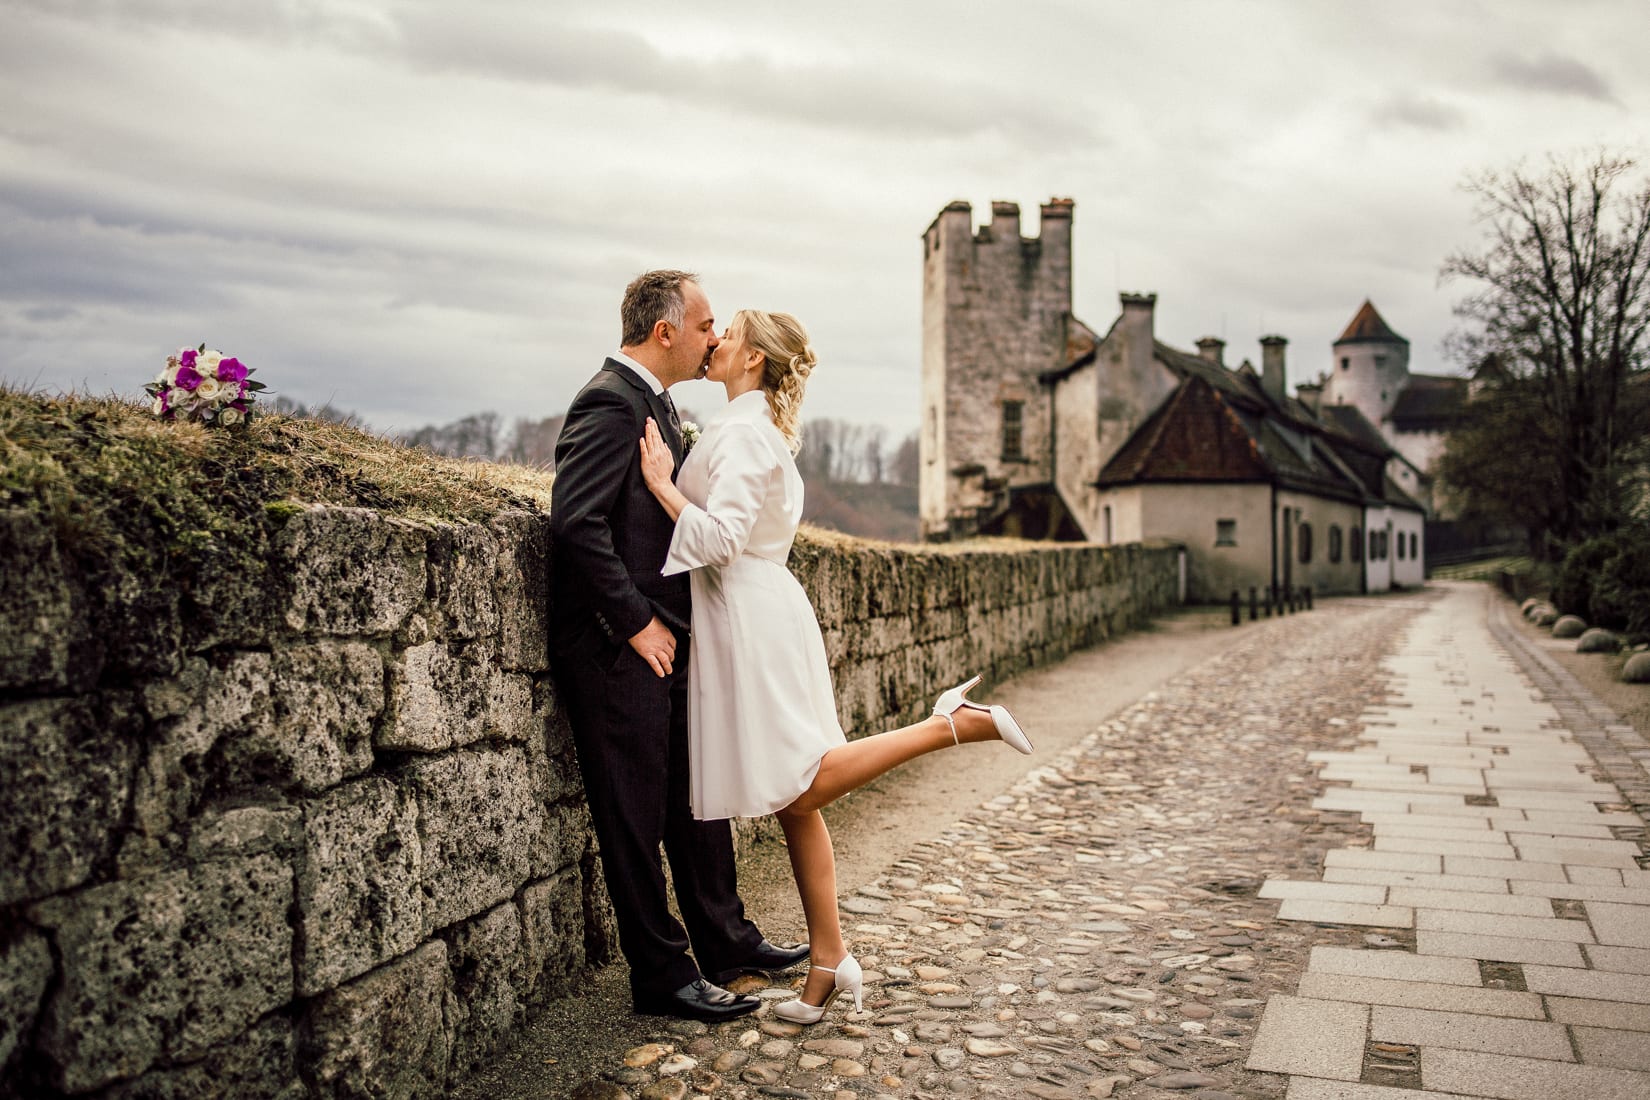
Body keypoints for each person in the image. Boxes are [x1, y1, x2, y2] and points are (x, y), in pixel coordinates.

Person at [637, 308, 1032, 1024]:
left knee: (803, 777)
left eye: (729, 332)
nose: (716, 337)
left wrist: (664, 485)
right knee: (797, 803)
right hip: (753, 613)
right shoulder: (742, 428)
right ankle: (828, 961)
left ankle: (949, 726)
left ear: (753, 358)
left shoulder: (746, 435)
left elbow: (722, 539)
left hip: (750, 619)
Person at [548, 271, 809, 1022]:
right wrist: (633, 622)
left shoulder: (657, 405)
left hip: (669, 640)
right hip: (616, 647)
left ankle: (726, 940)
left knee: (694, 800)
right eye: (704, 326)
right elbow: (577, 524)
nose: (713, 339)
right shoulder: (609, 400)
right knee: (631, 811)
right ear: (665, 332)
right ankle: (661, 976)